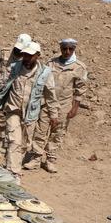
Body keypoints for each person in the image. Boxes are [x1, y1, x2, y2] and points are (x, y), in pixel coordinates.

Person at [0, 42, 60, 179]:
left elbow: (50, 95)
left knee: (24, 145)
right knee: (14, 141)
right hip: (13, 110)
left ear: (38, 56)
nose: (26, 58)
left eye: (30, 55)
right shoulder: (14, 68)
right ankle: (13, 172)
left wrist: (54, 115)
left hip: (30, 115)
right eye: (25, 54)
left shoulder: (45, 73)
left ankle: (12, 166)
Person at [25, 38, 88, 173]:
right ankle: (35, 159)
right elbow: (41, 82)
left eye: (70, 49)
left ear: (74, 49)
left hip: (64, 105)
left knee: (57, 133)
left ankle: (50, 160)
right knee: (40, 131)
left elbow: (80, 89)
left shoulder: (79, 67)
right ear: (60, 48)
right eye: (64, 48)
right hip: (47, 103)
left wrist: (75, 107)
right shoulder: (51, 63)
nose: (67, 51)